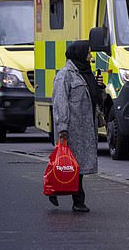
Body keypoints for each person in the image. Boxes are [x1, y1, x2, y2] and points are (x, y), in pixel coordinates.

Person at [48, 41, 103, 212]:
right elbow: (60, 102)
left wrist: (99, 87)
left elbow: (94, 100)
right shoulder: (65, 75)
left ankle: (61, 192)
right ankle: (77, 200)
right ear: (79, 54)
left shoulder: (85, 73)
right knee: (68, 164)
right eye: (88, 53)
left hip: (85, 129)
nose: (91, 57)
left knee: (74, 166)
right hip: (72, 129)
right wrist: (62, 127)